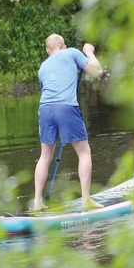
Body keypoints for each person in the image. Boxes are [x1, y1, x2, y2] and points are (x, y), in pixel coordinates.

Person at [33, 34, 105, 211]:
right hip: (65, 107)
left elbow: (48, 89)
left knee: (44, 156)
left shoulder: (42, 66)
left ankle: (37, 203)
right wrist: (88, 52)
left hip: (45, 109)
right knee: (84, 152)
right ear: (63, 46)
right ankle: (86, 199)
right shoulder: (72, 52)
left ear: (48, 51)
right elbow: (98, 72)